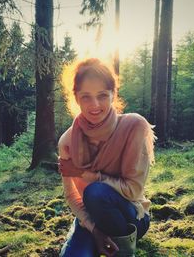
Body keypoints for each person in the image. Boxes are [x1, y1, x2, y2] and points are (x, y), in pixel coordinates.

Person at [58, 58, 155, 257]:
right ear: (76, 98)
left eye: (102, 95)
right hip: (91, 217)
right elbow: (72, 196)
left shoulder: (133, 127)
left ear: (113, 94)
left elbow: (133, 189)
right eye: (86, 97)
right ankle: (95, 239)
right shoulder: (68, 141)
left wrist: (83, 174)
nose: (94, 105)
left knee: (95, 193)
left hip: (131, 216)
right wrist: (95, 230)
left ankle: (124, 250)